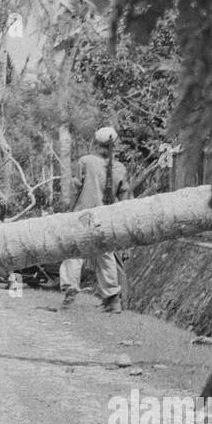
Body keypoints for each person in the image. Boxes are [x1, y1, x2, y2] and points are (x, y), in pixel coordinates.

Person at [59, 125, 130, 313]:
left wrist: (69, 212)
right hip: (106, 220)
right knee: (105, 257)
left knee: (73, 254)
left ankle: (70, 293)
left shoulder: (85, 162)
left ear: (96, 143)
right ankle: (113, 300)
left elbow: (75, 189)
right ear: (115, 145)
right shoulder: (120, 168)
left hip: (84, 216)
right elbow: (124, 199)